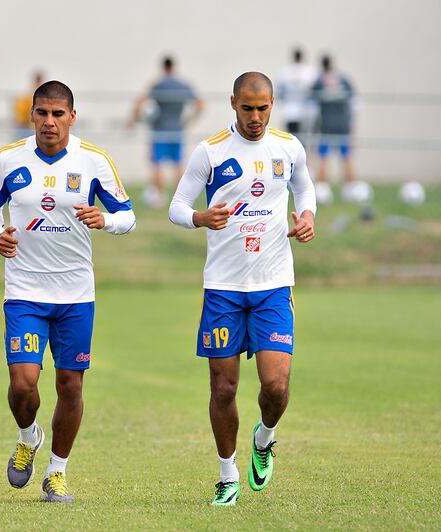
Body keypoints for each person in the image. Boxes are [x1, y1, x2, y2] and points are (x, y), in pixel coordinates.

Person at [0, 80, 136, 503]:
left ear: (72, 116)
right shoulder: (9, 159)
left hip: (75, 294)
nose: (50, 122)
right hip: (25, 291)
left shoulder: (94, 161)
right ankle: (29, 436)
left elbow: (128, 215)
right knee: (23, 384)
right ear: (31, 115)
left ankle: (57, 472)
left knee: (70, 386)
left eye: (58, 114)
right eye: (42, 114)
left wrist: (106, 220)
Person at [168, 72, 316, 506]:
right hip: (223, 289)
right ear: (233, 103)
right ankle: (227, 475)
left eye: (263, 107)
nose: (256, 117)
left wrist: (306, 216)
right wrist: (200, 218)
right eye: (248, 108)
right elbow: (178, 206)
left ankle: (265, 437)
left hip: (272, 285)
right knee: (224, 389)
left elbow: (304, 187)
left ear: (273, 104)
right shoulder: (211, 151)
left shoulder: (288, 148)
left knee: (276, 386)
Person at [132, 56, 203, 209]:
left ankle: (158, 198)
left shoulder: (158, 84)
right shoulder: (183, 85)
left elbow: (140, 101)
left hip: (160, 131)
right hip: (177, 129)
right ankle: (181, 199)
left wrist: (136, 119)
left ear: (163, 68)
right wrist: (189, 120)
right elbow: (200, 103)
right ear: (174, 67)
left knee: (157, 164)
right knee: (178, 164)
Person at [311, 54, 356, 185]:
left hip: (326, 124)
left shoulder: (319, 81)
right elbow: (354, 102)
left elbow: (311, 103)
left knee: (323, 157)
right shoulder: (343, 80)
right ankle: (351, 187)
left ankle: (323, 187)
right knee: (346, 157)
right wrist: (352, 124)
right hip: (343, 123)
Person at [276, 48, 317, 139]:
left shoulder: (286, 71)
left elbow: (280, 90)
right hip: (300, 108)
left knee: (294, 134)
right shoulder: (309, 71)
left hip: (296, 108)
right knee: (300, 134)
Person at [13, 71, 43, 139]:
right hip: (28, 128)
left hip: (35, 128)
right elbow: (21, 113)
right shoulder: (28, 97)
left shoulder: (31, 97)